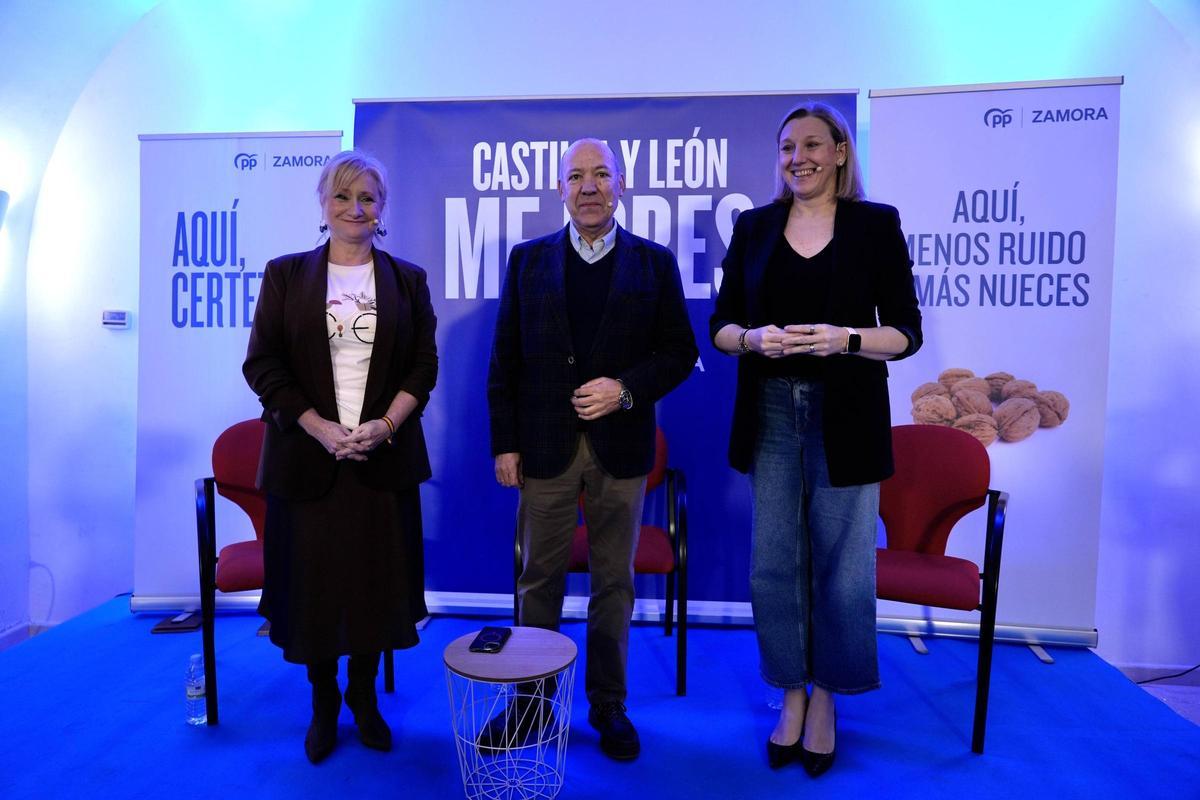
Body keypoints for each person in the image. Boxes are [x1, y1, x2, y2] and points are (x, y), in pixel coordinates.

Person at [709, 103, 922, 777]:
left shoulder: (875, 224)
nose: (796, 158)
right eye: (786, 147)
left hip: (847, 412)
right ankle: (791, 694)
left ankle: (827, 698)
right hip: (770, 409)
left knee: (842, 568)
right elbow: (720, 326)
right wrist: (754, 339)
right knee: (773, 565)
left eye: (810, 145)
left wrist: (846, 339)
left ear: (839, 152)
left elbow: (907, 334)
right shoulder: (754, 226)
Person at [486, 138, 698, 760]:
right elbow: (505, 361)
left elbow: (680, 353)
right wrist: (505, 444)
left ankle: (608, 704)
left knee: (614, 584)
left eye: (601, 174)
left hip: (621, 450)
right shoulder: (527, 261)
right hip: (543, 450)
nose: (588, 186)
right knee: (537, 580)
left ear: (621, 184)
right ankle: (530, 705)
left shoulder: (654, 263)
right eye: (576, 176)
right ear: (560, 189)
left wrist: (624, 391)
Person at [243, 150, 437, 764]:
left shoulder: (408, 280)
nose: (355, 208)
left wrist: (385, 425)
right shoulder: (285, 275)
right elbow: (263, 365)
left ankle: (363, 695)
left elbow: (423, 367)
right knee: (315, 591)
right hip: (307, 460)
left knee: (375, 588)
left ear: (382, 208)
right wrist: (318, 427)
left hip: (383, 460)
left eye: (367, 198)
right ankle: (324, 700)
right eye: (343, 196)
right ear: (323, 205)